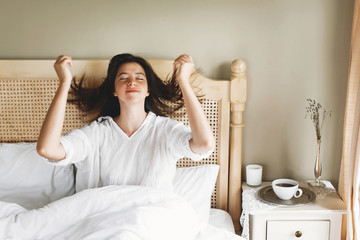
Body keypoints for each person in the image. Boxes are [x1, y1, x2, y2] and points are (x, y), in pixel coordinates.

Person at [36, 53, 215, 192]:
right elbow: (47, 149)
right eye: (123, 78)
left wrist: (183, 81)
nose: (131, 82)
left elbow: (204, 144)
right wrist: (64, 82)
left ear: (147, 91)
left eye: (139, 78)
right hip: (104, 218)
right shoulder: (95, 134)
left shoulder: (164, 130)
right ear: (114, 90)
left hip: (151, 219)